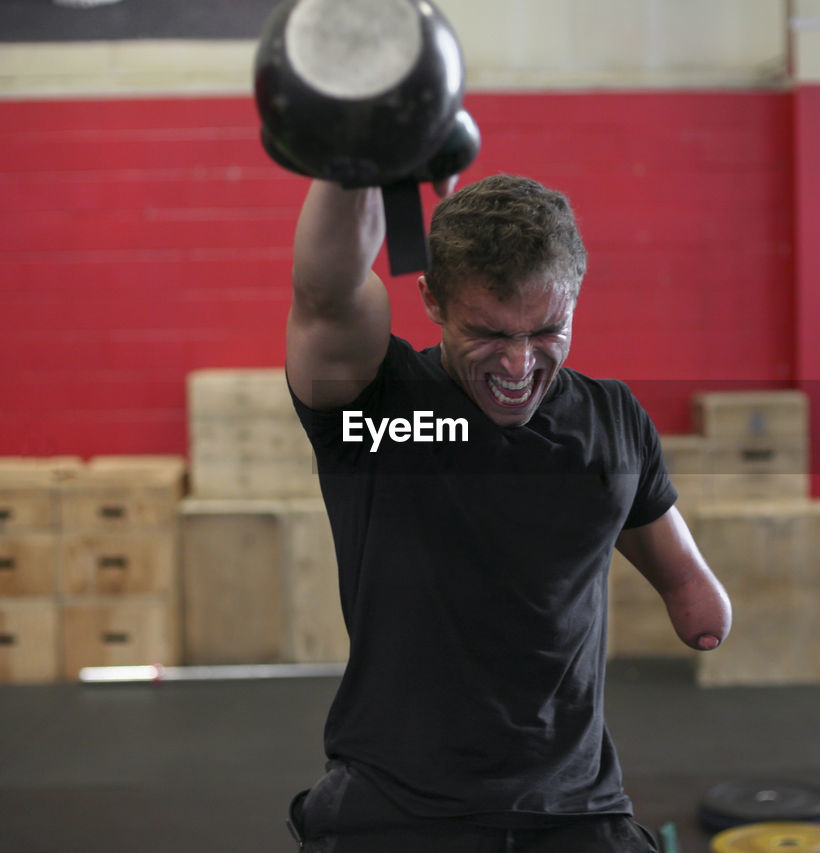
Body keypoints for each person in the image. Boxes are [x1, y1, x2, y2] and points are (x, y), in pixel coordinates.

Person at [285, 173, 732, 852]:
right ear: (431, 298)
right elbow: (328, 292)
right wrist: (354, 153)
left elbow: (687, 585)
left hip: (576, 806)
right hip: (399, 805)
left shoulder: (612, 420)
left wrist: (697, 601)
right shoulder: (380, 411)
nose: (521, 362)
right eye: (490, 332)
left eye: (547, 329)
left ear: (576, 300)